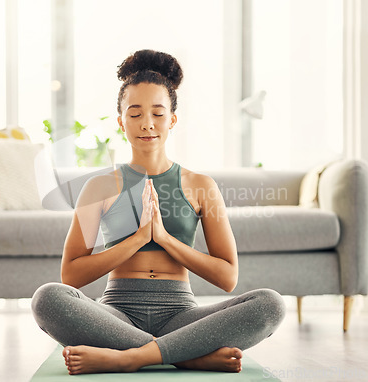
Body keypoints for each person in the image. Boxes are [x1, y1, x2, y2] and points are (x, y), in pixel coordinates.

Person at [31, 49, 285, 375]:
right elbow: (71, 276)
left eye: (158, 113)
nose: (147, 124)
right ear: (121, 121)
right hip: (117, 314)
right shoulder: (99, 187)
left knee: (270, 305)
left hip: (182, 315)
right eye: (134, 114)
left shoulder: (201, 185)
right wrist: (136, 240)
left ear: (172, 119)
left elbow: (227, 277)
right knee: (47, 299)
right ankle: (184, 355)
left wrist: (164, 239)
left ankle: (129, 357)